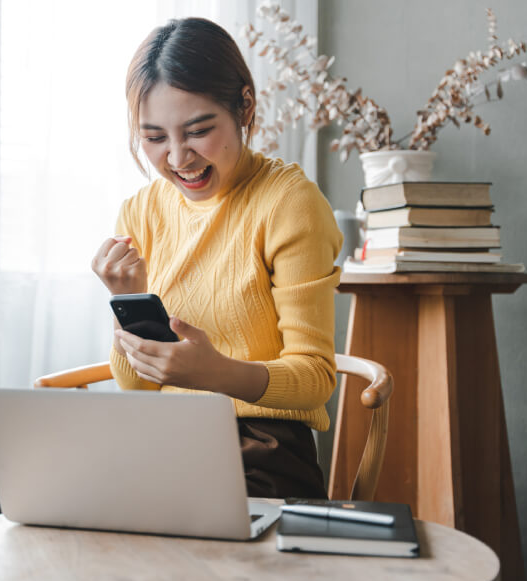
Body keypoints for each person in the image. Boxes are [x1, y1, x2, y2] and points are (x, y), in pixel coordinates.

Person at [91, 17, 343, 500]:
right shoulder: (140, 211)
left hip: (260, 446)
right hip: (164, 437)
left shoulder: (288, 203)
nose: (178, 158)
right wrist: (128, 302)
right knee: (29, 491)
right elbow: (136, 389)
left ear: (244, 105)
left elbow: (315, 379)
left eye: (198, 131)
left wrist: (213, 373)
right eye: (155, 138)